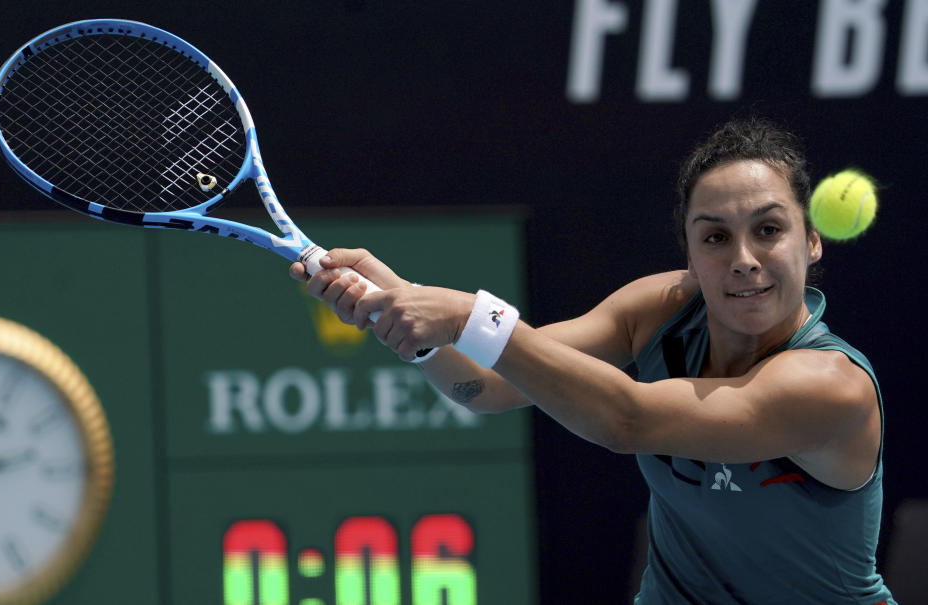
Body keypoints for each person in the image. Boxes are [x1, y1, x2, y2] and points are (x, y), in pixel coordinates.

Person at [289, 117, 895, 604]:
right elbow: (488, 385)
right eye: (714, 236)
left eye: (768, 230)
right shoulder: (659, 309)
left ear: (811, 241)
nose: (743, 258)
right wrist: (392, 301)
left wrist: (471, 314)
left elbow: (627, 421)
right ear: (688, 250)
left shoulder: (830, 387)